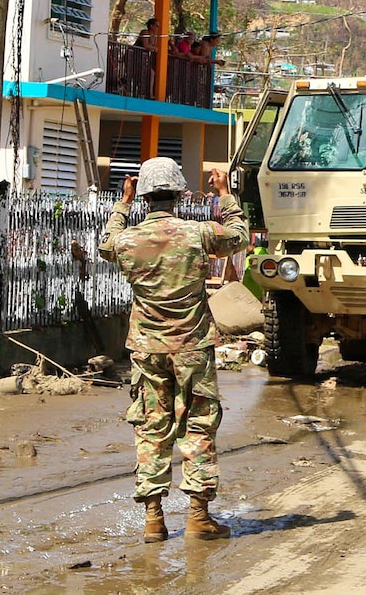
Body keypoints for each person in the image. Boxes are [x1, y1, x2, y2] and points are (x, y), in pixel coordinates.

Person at [97, 158, 249, 543]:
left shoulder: (128, 239)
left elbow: (105, 243)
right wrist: (224, 194)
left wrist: (123, 204)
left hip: (147, 349)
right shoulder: (198, 234)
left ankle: (153, 520)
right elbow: (239, 235)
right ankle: (198, 517)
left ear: (145, 196)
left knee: (152, 426)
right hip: (193, 347)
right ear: (180, 195)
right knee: (198, 426)